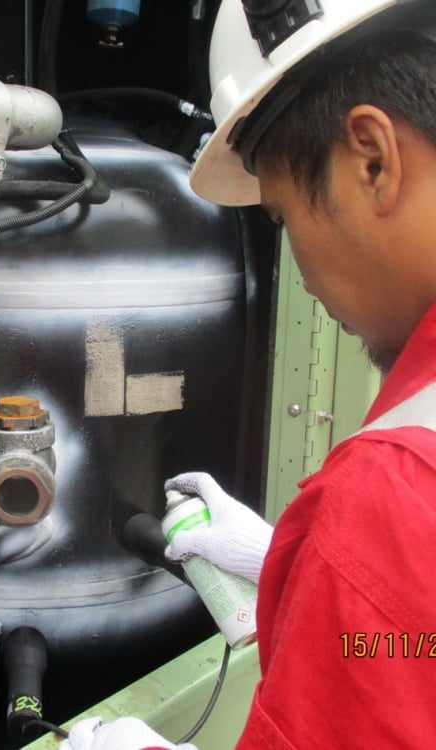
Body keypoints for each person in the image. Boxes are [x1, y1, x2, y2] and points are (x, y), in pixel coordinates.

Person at [61, 0, 436, 747]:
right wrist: (298, 568)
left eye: (284, 218)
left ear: (372, 159)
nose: (306, 277)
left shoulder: (394, 490)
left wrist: (354, 566)